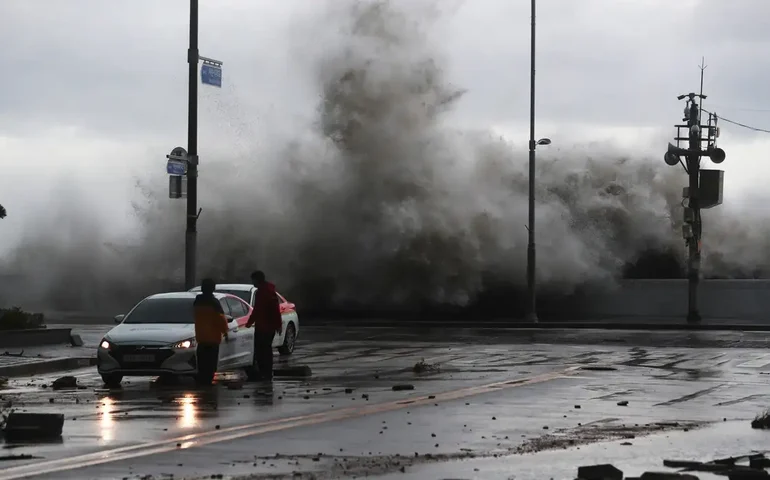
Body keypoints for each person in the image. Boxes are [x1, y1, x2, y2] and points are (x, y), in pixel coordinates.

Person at [246, 270, 282, 381]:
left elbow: (258, 310)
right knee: (265, 351)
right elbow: (275, 309)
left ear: (257, 280)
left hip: (264, 327)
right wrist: (278, 324)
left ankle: (264, 373)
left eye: (253, 280)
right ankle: (266, 373)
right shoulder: (268, 291)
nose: (252, 283)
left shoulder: (263, 292)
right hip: (268, 327)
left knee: (262, 351)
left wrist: (249, 323)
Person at [193, 278, 229, 385]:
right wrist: (225, 331)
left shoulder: (197, 302)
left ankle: (202, 380)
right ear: (213, 288)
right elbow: (221, 318)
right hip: (213, 338)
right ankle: (207, 382)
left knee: (202, 363)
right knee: (211, 363)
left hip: (201, 337)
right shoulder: (214, 303)